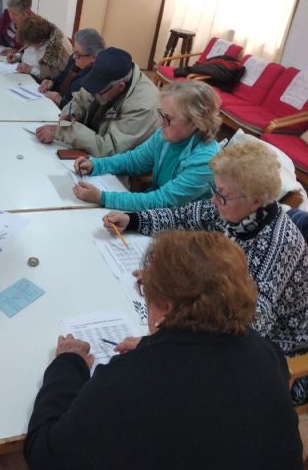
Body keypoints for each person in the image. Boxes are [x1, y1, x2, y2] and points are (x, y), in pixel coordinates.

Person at [25, 230, 303, 470]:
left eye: (145, 287)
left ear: (167, 307)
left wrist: (67, 364)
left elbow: (46, 455)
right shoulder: (264, 350)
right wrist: (154, 346)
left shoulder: (129, 382)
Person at [103, 141, 308, 405]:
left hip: (280, 354)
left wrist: (167, 338)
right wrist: (133, 219)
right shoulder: (231, 209)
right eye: (216, 190)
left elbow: (246, 326)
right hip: (224, 327)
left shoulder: (278, 244)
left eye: (221, 194)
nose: (213, 200)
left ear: (255, 200)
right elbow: (183, 216)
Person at [73, 81, 221, 209]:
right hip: (155, 209)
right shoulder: (166, 135)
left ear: (196, 123)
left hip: (180, 227)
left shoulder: (206, 161)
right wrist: (96, 165)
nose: (161, 123)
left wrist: (102, 198)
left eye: (168, 119)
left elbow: (163, 201)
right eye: (162, 115)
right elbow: (133, 161)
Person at [36, 47, 160, 157]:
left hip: (120, 166)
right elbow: (81, 98)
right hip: (93, 147)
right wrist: (72, 113)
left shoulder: (143, 106)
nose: (95, 94)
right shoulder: (105, 76)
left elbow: (110, 148)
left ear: (120, 86)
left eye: (99, 91)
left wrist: (63, 132)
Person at [38, 28, 105, 108]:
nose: (73, 56)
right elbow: (62, 76)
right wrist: (52, 82)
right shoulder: (74, 60)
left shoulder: (96, 77)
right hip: (52, 105)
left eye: (78, 54)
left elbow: (83, 112)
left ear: (93, 57)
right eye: (74, 50)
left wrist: (60, 100)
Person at [6, 15, 72, 80]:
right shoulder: (36, 36)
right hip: (26, 78)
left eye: (31, 44)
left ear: (38, 41)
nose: (29, 46)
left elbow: (52, 76)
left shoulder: (55, 48)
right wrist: (17, 57)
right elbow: (29, 52)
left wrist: (30, 70)